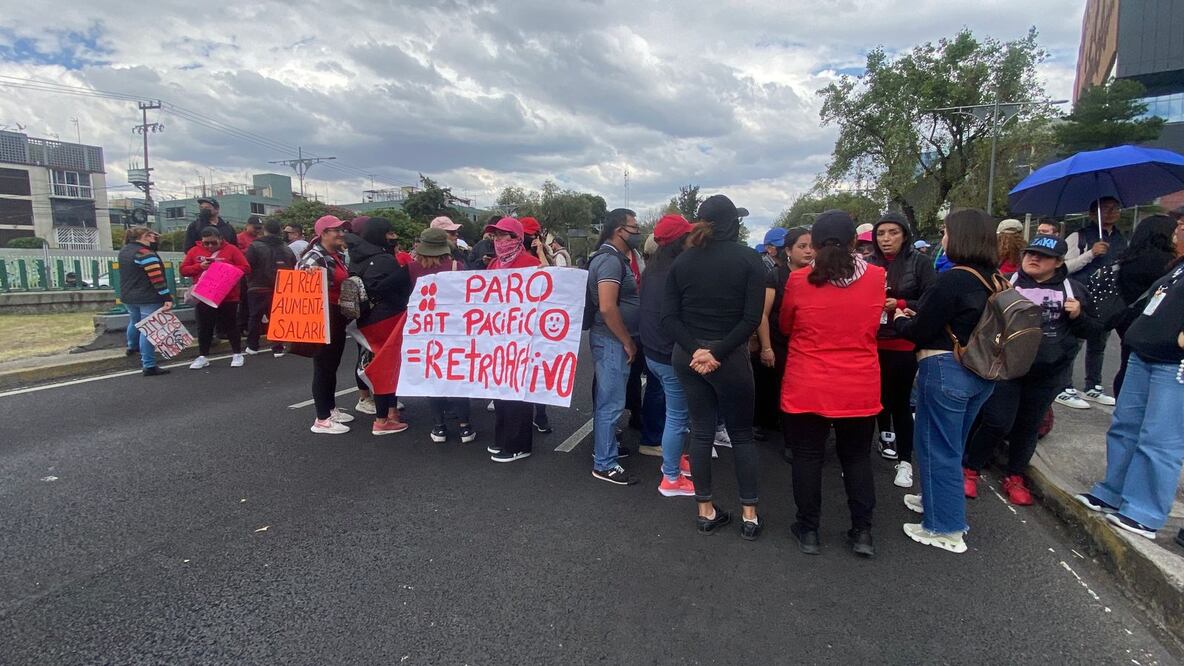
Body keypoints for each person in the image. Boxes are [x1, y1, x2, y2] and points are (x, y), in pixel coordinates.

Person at [892, 208, 999, 554]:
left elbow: (920, 331)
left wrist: (898, 320)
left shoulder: (955, 278)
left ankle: (945, 527)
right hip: (981, 373)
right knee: (951, 445)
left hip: (945, 370)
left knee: (938, 447)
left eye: (946, 232)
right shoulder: (995, 279)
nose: (943, 240)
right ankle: (934, 502)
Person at [778, 210, 885, 557]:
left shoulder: (798, 281)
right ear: (855, 241)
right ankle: (862, 532)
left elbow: (786, 325)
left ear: (816, 243)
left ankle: (809, 529)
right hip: (859, 382)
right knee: (856, 457)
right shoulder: (877, 277)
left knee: (807, 457)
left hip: (809, 381)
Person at [963, 235, 1100, 505]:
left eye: (1043, 256)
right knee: (996, 421)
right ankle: (970, 468)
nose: (1034, 259)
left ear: (1059, 262)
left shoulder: (1074, 290)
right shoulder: (1003, 283)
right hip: (1006, 370)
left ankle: (1015, 476)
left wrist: (1078, 316)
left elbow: (1095, 331)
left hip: (1047, 374)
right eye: (1030, 253)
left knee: (1028, 427)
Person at [662, 194, 765, 538]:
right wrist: (717, 352)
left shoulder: (683, 262)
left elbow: (669, 317)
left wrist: (697, 351)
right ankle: (749, 514)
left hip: (687, 357)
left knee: (701, 431)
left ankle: (705, 510)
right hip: (730, 357)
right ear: (733, 224)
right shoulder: (751, 260)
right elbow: (751, 318)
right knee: (741, 435)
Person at [1076, 259, 1184, 540]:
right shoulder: (1178, 266)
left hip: (1174, 363)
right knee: (1126, 426)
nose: (1178, 230)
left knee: (1160, 438)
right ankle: (1113, 491)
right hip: (1144, 352)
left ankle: (1144, 511)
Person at [867, 211, 937, 489]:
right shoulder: (868, 264)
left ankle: (906, 460)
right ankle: (886, 438)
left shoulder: (920, 263)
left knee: (900, 401)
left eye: (893, 233)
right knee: (877, 397)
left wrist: (900, 303)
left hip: (903, 341)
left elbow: (932, 301)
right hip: (872, 341)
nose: (886, 239)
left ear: (905, 235)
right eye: (881, 233)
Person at [639, 214, 696, 496]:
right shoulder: (678, 272)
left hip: (653, 353)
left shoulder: (651, 269)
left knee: (676, 415)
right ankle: (671, 478)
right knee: (677, 416)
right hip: (669, 355)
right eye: (688, 236)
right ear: (680, 241)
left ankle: (677, 460)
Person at [587, 208, 643, 485]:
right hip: (610, 340)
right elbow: (608, 308)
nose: (638, 231)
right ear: (618, 230)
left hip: (612, 339)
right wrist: (626, 340)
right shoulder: (609, 261)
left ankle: (606, 449)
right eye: (633, 226)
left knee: (610, 399)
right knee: (611, 402)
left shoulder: (617, 258)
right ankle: (604, 463)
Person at [409, 227, 476, 444]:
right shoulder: (458, 267)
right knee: (457, 377)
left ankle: (439, 427)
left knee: (433, 378)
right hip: (455, 332)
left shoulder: (410, 269)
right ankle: (465, 427)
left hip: (425, 333)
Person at [483, 217, 542, 462]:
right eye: (494, 236)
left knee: (518, 392)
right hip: (498, 338)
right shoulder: (494, 265)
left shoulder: (531, 264)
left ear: (517, 238)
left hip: (522, 338)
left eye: (503, 235)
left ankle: (519, 444)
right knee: (500, 390)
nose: (497, 240)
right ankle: (502, 437)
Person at [1062, 196, 1128, 408]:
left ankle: (1093, 385)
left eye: (1114, 208)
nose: (1110, 212)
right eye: (1104, 209)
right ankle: (1064, 386)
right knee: (1074, 343)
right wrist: (1091, 253)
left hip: (1107, 301)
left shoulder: (1121, 239)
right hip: (1081, 297)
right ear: (1093, 214)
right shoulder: (1079, 236)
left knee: (1098, 344)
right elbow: (1065, 267)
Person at [349, 217, 412, 436]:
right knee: (388, 367)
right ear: (380, 235)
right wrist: (407, 273)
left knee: (377, 364)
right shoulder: (384, 259)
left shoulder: (356, 257)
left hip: (365, 319)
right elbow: (391, 290)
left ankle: (389, 412)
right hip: (386, 319)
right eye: (390, 233)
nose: (394, 237)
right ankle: (383, 419)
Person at [754, 226, 812, 458]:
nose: (809, 251)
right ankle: (791, 442)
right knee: (786, 391)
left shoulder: (818, 275)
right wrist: (766, 347)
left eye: (811, 246)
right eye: (802, 246)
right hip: (781, 343)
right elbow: (763, 315)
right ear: (788, 250)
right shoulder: (776, 276)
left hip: (809, 344)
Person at [300, 215, 355, 434]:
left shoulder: (336, 255)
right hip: (322, 315)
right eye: (336, 230)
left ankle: (329, 408)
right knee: (323, 366)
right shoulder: (314, 257)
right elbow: (303, 289)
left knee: (331, 364)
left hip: (336, 313)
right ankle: (321, 418)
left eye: (343, 230)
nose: (341, 234)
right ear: (323, 233)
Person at [1113, 215, 1177, 395]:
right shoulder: (1164, 262)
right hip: (1152, 322)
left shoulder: (1128, 258)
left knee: (1127, 363)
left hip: (1127, 318)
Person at [180, 227, 251, 369]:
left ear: (220, 239)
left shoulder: (231, 250)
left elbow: (246, 267)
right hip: (204, 295)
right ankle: (202, 356)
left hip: (228, 295)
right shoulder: (194, 251)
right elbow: (183, 270)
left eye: (213, 243)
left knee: (230, 325)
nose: (210, 246)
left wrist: (225, 268)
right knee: (204, 327)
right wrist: (200, 266)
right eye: (206, 243)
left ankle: (237, 353)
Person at [117, 226, 173, 377]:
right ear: (146, 237)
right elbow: (157, 278)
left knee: (134, 321)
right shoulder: (146, 254)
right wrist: (166, 297)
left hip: (128, 295)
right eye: (153, 237)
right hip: (148, 296)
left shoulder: (124, 251)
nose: (155, 240)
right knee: (149, 329)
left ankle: (131, 346)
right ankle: (149, 365)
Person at [244, 218, 297, 356]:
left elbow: (247, 267)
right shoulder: (286, 248)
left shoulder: (255, 246)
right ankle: (278, 347)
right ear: (280, 231)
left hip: (258, 286)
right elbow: (293, 266)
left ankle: (252, 346)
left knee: (255, 317)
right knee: (276, 317)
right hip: (280, 288)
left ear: (265, 230)